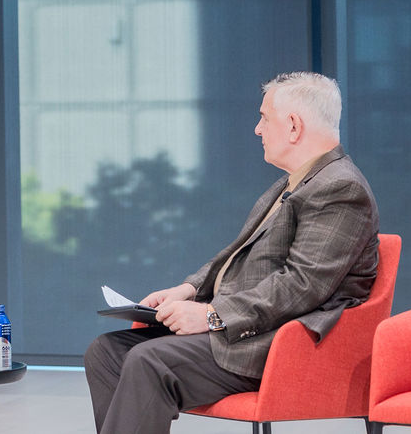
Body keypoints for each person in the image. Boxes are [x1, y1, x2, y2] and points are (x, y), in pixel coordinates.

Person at [84, 72, 379, 434]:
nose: (257, 130)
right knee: (106, 352)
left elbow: (301, 285)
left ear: (293, 126)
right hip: (242, 327)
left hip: (279, 342)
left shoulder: (341, 188)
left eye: (264, 118)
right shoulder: (296, 182)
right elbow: (237, 255)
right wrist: (189, 290)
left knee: (149, 360)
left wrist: (211, 316)